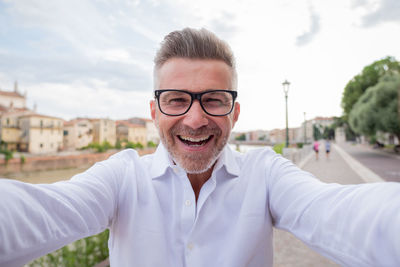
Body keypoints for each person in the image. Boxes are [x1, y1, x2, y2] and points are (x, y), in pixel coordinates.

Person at [0, 28, 400, 267]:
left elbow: (338, 213)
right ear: (154, 111)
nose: (195, 119)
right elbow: (41, 212)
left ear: (235, 112)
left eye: (213, 98)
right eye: (176, 99)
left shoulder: (266, 173)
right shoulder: (122, 176)